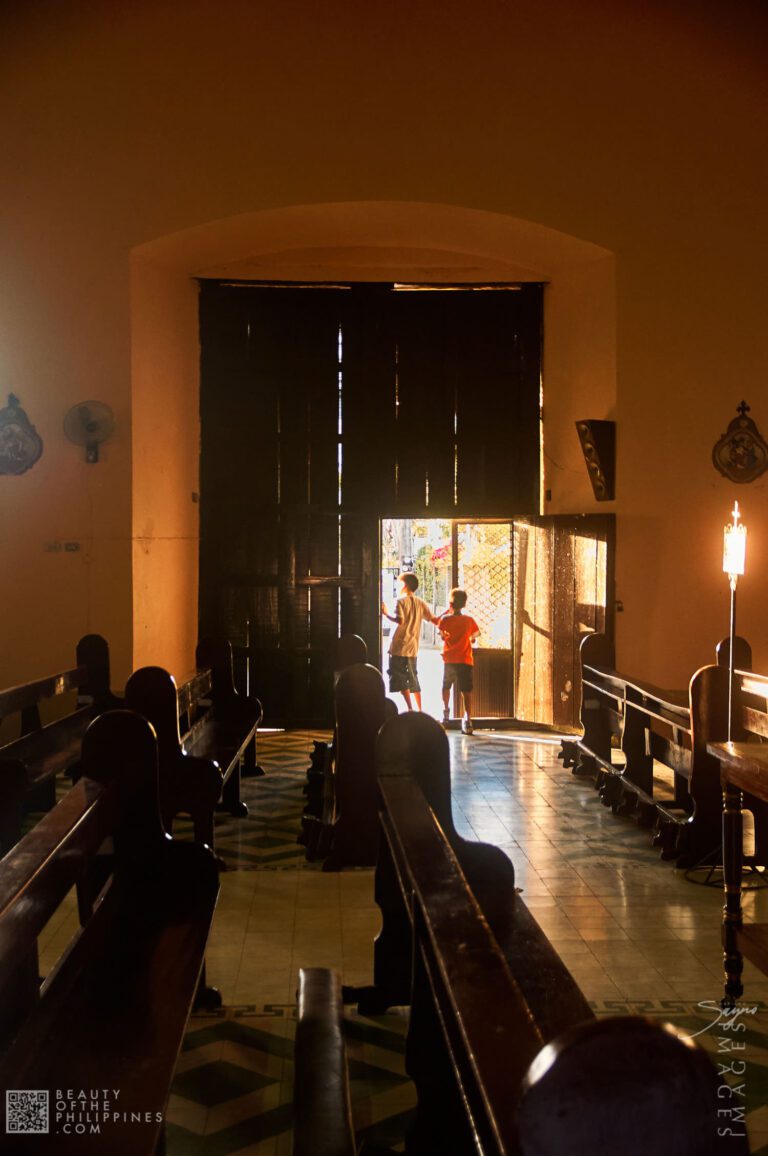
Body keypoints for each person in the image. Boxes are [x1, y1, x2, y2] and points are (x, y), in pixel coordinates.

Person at [381, 572, 440, 711]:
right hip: (413, 648)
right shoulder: (421, 602)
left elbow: (400, 620)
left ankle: (410, 708)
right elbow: (434, 620)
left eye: (399, 583)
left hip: (399, 647)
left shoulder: (400, 601)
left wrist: (385, 614)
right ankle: (420, 709)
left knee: (400, 678)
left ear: (404, 585)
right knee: (413, 678)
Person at [436, 588, 479, 734]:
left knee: (446, 686)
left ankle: (445, 712)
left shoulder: (445, 620)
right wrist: (469, 639)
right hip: (465, 659)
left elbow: (442, 636)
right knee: (466, 690)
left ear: (450, 604)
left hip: (449, 659)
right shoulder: (469, 621)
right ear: (464, 604)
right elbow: (474, 636)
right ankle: (468, 719)